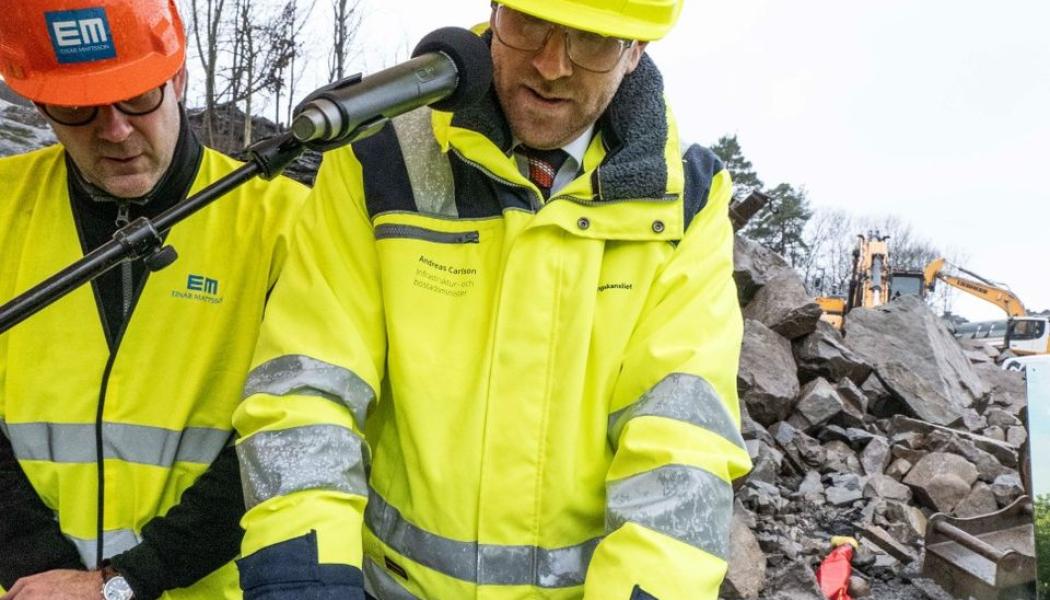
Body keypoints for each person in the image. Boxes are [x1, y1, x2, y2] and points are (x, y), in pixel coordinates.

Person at [234, 0, 752, 598]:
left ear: (637, 51)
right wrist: (305, 577)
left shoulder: (686, 201)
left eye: (593, 40)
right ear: (493, 9)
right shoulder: (380, 154)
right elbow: (306, 388)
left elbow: (681, 450)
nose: (552, 64)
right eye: (529, 22)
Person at [0, 1, 307, 598]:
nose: (113, 130)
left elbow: (285, 438)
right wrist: (38, 568)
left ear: (179, 80)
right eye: (76, 107)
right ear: (40, 106)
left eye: (139, 96)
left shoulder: (283, 226)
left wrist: (124, 583)